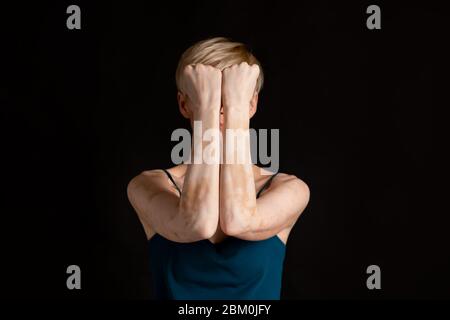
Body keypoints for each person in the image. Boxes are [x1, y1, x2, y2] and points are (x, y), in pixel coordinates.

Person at [127, 37, 310, 299]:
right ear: (184, 104)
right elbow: (196, 223)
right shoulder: (148, 185)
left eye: (231, 100)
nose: (221, 110)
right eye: (211, 100)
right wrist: (208, 110)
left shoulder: (289, 189)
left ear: (252, 104)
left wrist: (232, 107)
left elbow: (239, 220)